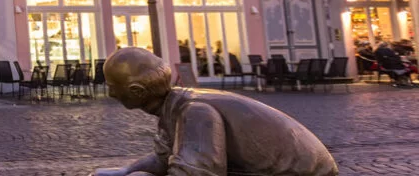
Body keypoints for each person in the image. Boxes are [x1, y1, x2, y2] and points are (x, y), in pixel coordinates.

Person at [92, 48, 337, 176]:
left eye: (112, 86)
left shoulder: (194, 111)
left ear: (135, 91)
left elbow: (198, 172)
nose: (110, 93)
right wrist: (127, 171)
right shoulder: (173, 104)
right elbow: (165, 158)